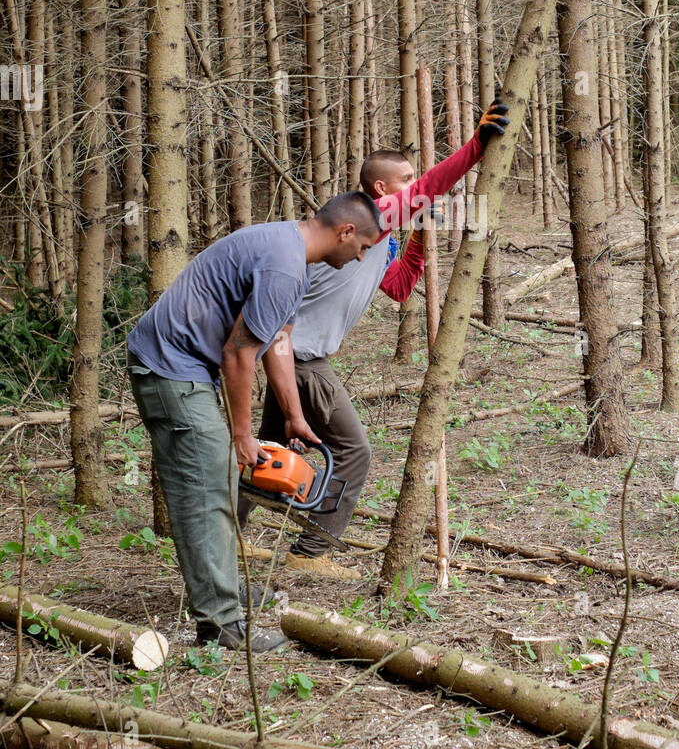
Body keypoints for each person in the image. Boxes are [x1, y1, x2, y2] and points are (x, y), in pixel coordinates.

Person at [242, 101, 510, 579]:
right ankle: (311, 555)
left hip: (287, 355)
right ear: (382, 190)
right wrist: (474, 148)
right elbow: (430, 187)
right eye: (406, 180)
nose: (415, 186)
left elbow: (400, 285)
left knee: (264, 449)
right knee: (353, 452)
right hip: (301, 358)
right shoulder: (367, 215)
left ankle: (225, 536)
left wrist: (423, 240)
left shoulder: (378, 238)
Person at [125, 192, 382, 652]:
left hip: (183, 366)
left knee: (217, 481)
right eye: (363, 246)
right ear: (345, 232)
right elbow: (239, 354)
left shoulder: (294, 258)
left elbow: (279, 339)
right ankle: (222, 625)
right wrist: (243, 436)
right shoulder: (285, 265)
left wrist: (294, 415)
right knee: (206, 488)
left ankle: (221, 590)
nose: (362, 255)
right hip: (169, 368)